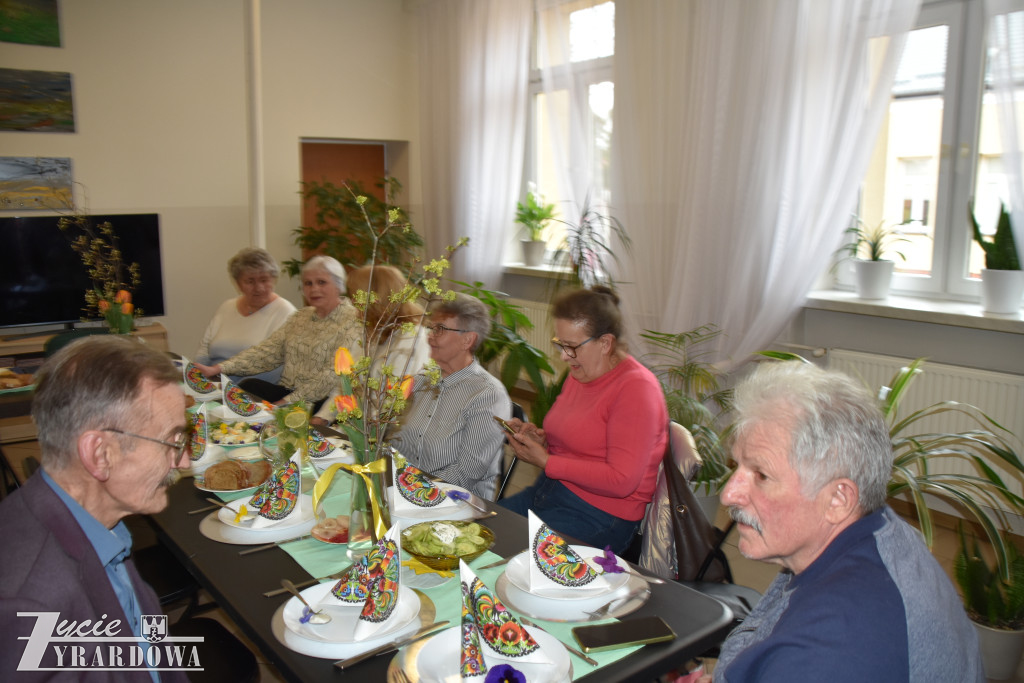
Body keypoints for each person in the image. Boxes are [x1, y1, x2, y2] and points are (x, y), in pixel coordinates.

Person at [706, 361, 983, 682]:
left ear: (838, 500)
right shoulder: (883, 533)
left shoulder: (826, 654)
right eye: (737, 465)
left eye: (761, 475)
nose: (729, 495)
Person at [0, 336, 191, 681]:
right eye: (172, 442)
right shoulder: (32, 606)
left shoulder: (99, 525)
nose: (185, 460)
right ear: (100, 454)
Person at [499, 286, 668, 553]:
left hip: (599, 515)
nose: (564, 356)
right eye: (560, 344)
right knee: (486, 530)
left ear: (605, 343)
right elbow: (580, 437)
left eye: (572, 347)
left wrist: (547, 461)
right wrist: (540, 438)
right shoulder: (583, 371)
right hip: (550, 491)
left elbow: (622, 479)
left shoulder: (636, 389)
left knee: (510, 557)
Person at [193, 255, 362, 408]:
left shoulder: (354, 320)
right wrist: (218, 368)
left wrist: (282, 404)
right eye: (308, 283)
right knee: (247, 387)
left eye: (322, 282)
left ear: (339, 286)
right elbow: (267, 352)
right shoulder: (301, 317)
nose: (314, 289)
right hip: (287, 391)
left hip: (323, 401)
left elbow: (331, 377)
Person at [389, 293, 511, 500]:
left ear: (467, 340)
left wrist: (411, 490)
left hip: (455, 501)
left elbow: (466, 474)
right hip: (405, 489)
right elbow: (393, 440)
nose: (430, 336)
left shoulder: (488, 395)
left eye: (440, 329)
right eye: (431, 327)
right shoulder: (422, 380)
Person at [312, 264, 430, 426]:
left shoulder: (412, 338)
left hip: (386, 434)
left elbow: (392, 407)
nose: (352, 302)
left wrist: (348, 433)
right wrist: (322, 418)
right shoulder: (369, 329)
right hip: (359, 429)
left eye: (355, 296)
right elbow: (346, 386)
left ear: (376, 298)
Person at [194, 246, 296, 384]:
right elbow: (204, 348)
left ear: (273, 280)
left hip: (250, 391)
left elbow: (272, 367)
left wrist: (229, 387)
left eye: (264, 280)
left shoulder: (286, 313)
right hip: (214, 385)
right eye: (250, 281)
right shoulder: (226, 307)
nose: (259, 287)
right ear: (238, 284)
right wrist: (200, 377)